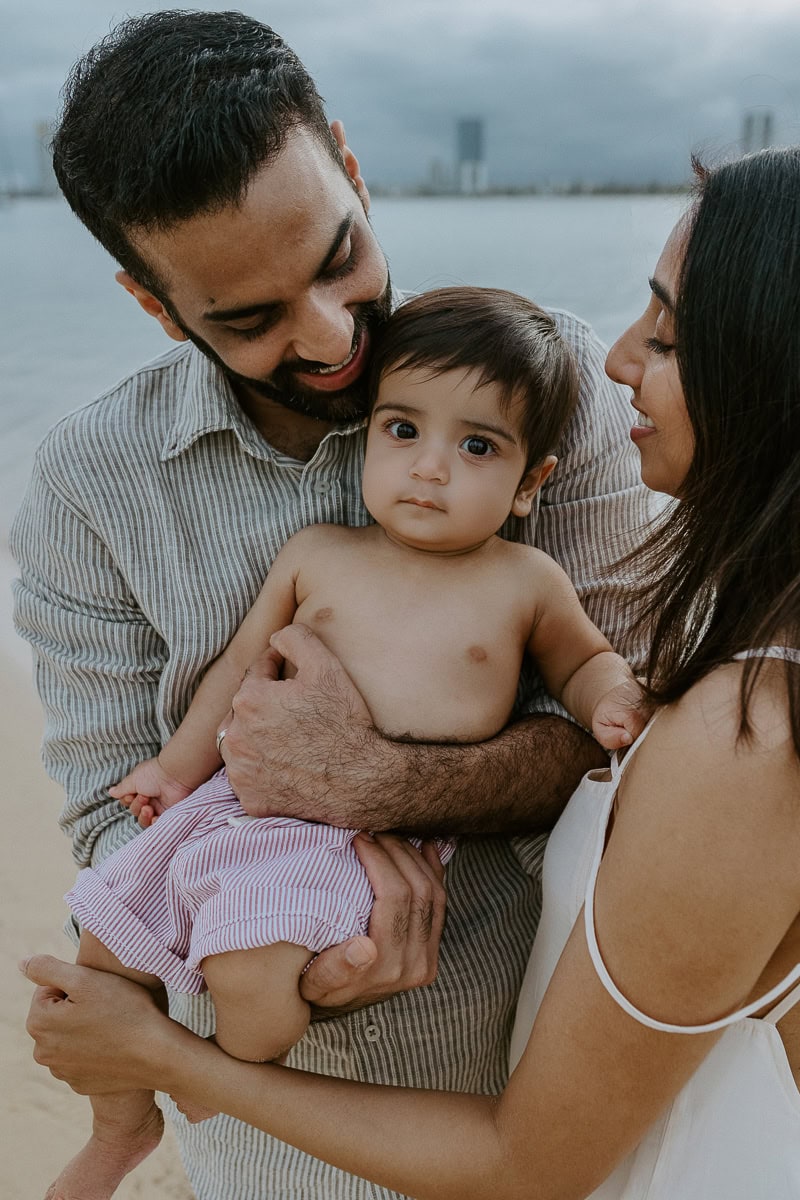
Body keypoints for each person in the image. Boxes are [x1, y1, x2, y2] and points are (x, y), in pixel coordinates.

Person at [23, 147, 800, 1199]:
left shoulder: (736, 727)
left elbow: (606, 716)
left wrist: (375, 783)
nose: (618, 361)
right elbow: (126, 783)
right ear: (155, 304)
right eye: (250, 317)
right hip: (279, 1146)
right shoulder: (93, 486)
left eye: (665, 333)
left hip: (512, 1118)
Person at [54, 286, 647, 1198]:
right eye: (401, 431)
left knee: (252, 980)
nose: (429, 470)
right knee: (104, 932)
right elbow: (236, 669)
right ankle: (124, 1125)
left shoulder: (524, 579)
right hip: (232, 806)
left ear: (532, 483)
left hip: (362, 847)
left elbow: (586, 665)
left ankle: (220, 1075)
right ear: (367, 434)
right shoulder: (318, 551)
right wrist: (175, 773)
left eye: (477, 446)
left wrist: (613, 702)